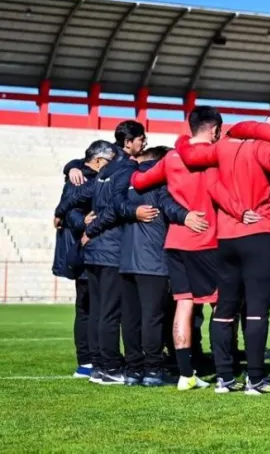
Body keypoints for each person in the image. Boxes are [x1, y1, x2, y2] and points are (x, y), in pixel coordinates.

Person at [176, 111, 270, 395]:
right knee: (257, 311)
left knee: (224, 310)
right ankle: (255, 379)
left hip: (227, 236)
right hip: (261, 233)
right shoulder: (262, 148)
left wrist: (184, 139)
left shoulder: (220, 149)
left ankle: (224, 378)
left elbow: (210, 183)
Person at [131, 107, 244, 391]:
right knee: (222, 305)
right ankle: (224, 374)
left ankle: (186, 375)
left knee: (184, 303)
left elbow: (139, 181)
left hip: (176, 241)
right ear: (215, 130)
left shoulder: (171, 157)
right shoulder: (216, 156)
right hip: (207, 238)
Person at [119, 146, 207, 387]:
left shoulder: (127, 181)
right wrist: (187, 216)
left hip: (126, 260)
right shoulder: (160, 183)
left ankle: (133, 370)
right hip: (153, 260)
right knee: (152, 318)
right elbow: (169, 207)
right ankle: (153, 370)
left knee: (131, 318)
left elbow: (113, 207)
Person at [75, 121, 147, 385]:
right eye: (141, 139)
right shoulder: (127, 168)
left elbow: (83, 195)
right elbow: (116, 207)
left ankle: (98, 365)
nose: (144, 144)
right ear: (128, 142)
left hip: (95, 250)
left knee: (97, 310)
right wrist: (92, 229)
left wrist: (84, 226)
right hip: (110, 248)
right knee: (110, 311)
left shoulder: (105, 168)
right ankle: (110, 367)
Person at [53, 141, 116, 379]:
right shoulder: (80, 179)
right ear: (99, 161)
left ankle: (91, 358)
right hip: (83, 250)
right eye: (109, 162)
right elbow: (69, 211)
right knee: (87, 306)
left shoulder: (80, 171)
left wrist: (72, 166)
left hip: (89, 249)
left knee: (89, 306)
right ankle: (87, 360)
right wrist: (84, 222)